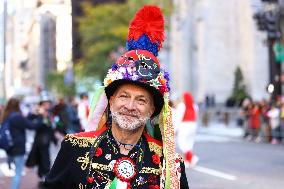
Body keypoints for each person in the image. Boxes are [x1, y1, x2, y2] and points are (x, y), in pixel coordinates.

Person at [42, 5, 189, 189]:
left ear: (152, 109)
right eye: (124, 96)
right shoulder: (75, 147)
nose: (130, 105)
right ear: (110, 101)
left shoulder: (169, 165)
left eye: (141, 100)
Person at [0, 98, 41, 189]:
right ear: (17, 106)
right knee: (18, 172)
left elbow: (24, 121)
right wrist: (41, 117)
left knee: (16, 169)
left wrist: (30, 115)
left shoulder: (6, 115)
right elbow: (31, 126)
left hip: (9, 146)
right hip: (18, 147)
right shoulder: (17, 117)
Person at [25, 97, 58, 185]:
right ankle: (45, 177)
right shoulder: (38, 113)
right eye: (46, 104)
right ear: (42, 104)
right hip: (40, 139)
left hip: (46, 139)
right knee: (43, 158)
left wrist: (54, 139)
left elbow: (51, 127)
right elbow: (29, 121)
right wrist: (35, 112)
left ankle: (44, 176)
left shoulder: (49, 113)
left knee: (44, 157)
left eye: (48, 103)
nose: (48, 105)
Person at [176, 92, 199, 167]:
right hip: (193, 125)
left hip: (184, 125)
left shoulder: (182, 106)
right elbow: (196, 116)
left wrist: (175, 129)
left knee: (182, 143)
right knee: (189, 143)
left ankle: (192, 157)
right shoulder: (195, 106)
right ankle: (188, 160)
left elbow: (179, 118)